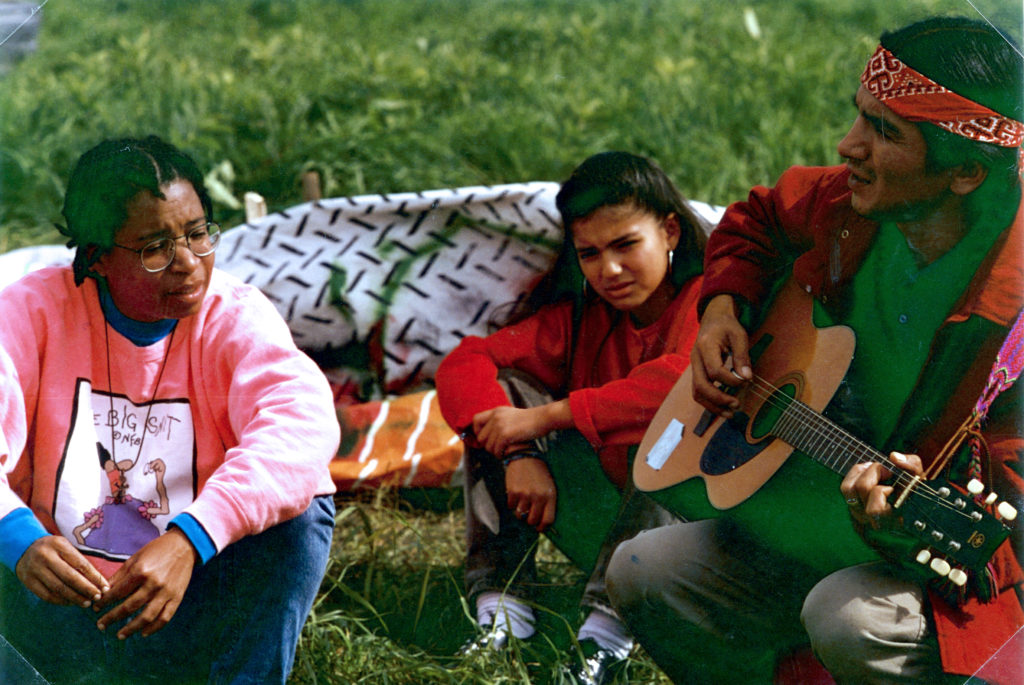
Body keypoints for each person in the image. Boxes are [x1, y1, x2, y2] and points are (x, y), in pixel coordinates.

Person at [606, 16, 1023, 685]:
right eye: (859, 116)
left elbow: (1007, 538)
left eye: (883, 132)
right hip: (808, 520)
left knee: (849, 618)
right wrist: (721, 309)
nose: (848, 145)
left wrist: (897, 524)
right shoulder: (851, 204)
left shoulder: (1012, 315)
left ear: (968, 171)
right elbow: (756, 220)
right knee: (642, 569)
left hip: (936, 575)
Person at [0, 135, 340, 684]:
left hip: (189, 599)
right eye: (155, 246)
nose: (187, 263)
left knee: (302, 508)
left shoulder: (235, 318)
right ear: (98, 256)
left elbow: (301, 428)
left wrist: (190, 539)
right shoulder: (29, 312)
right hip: (50, 602)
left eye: (198, 233)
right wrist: (15, 537)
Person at [435, 151, 708, 684]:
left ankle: (604, 641)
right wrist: (518, 453)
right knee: (503, 396)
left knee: (676, 435)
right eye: (589, 253)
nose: (609, 270)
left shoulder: (708, 302)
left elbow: (681, 382)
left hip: (684, 540)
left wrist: (545, 420)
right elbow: (464, 363)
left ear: (671, 231)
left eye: (627, 244)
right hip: (601, 514)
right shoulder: (582, 320)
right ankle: (505, 615)